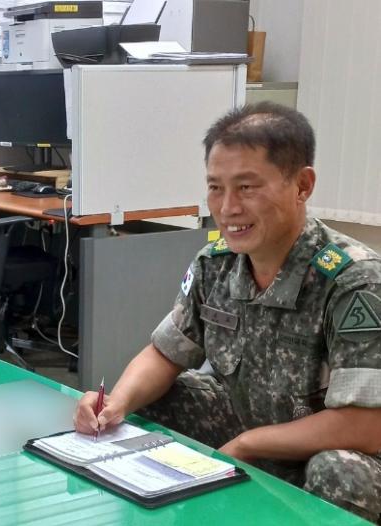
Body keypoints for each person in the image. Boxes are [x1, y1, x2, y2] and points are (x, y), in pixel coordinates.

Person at [74, 101, 381, 522]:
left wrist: (249, 443)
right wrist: (116, 405)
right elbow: (165, 353)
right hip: (251, 427)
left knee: (339, 473)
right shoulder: (214, 264)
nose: (228, 207)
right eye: (216, 187)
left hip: (344, 452)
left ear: (302, 185)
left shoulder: (354, 280)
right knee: (153, 402)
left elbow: (366, 426)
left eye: (247, 187)